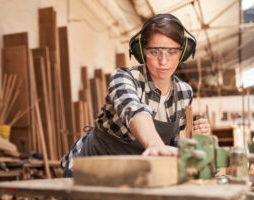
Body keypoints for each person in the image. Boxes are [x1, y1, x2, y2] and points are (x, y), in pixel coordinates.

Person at [61, 13, 210, 177]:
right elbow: (133, 110)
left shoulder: (184, 92)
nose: (163, 61)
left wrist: (195, 138)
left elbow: (174, 146)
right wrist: (155, 144)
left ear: (183, 53)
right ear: (142, 51)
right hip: (90, 167)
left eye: (172, 52)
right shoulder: (124, 78)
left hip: (131, 172)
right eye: (155, 52)